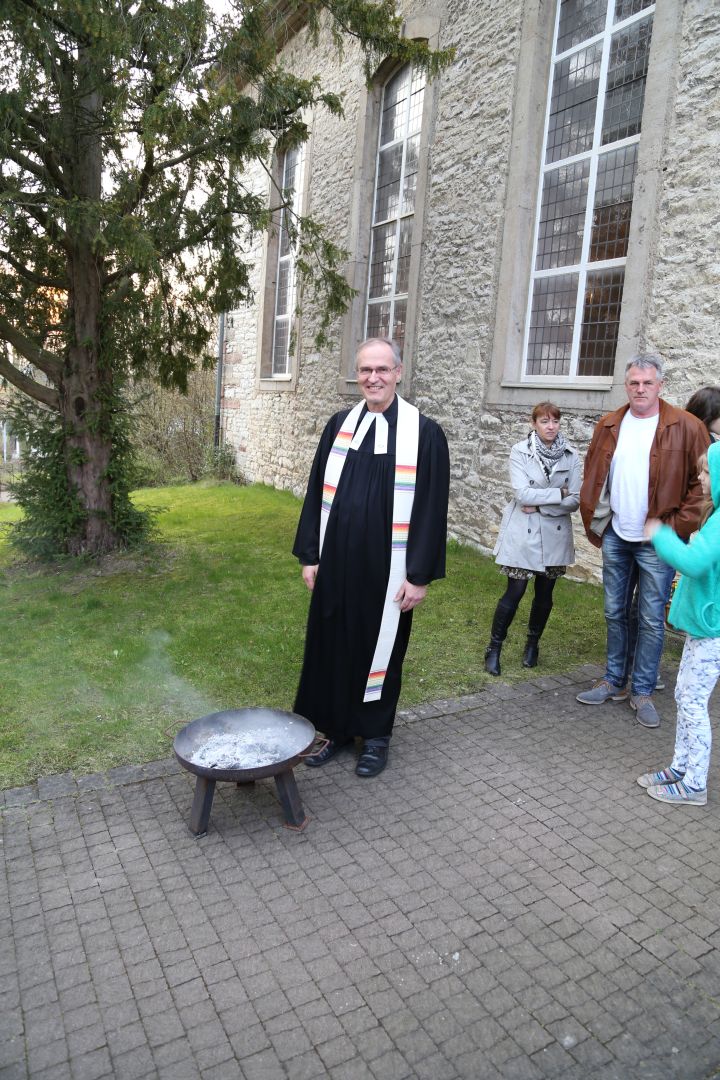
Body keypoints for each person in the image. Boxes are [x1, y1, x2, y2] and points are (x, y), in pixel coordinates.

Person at [292, 338, 450, 778]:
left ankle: (375, 736)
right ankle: (337, 730)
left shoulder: (425, 434)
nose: (373, 378)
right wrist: (311, 555)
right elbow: (315, 491)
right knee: (333, 645)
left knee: (381, 649)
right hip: (338, 564)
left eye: (382, 370)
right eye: (365, 371)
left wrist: (418, 576)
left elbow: (431, 510)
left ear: (398, 373)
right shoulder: (339, 426)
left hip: (389, 569)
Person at [577, 355, 710, 728]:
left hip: (658, 543)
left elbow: (703, 486)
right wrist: (597, 518)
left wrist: (673, 527)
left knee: (652, 619)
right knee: (614, 611)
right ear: (627, 385)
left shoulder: (687, 426)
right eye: (634, 383)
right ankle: (614, 680)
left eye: (647, 383)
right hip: (618, 535)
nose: (640, 389)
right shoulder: (610, 424)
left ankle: (644, 689)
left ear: (660, 385)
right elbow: (594, 472)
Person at [637, 443, 720, 804]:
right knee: (683, 695)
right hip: (704, 630)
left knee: (692, 702)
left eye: (705, 472)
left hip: (712, 633)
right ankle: (681, 767)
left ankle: (694, 784)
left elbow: (694, 563)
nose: (701, 479)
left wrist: (661, 534)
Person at [484, 402, 580, 676]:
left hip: (555, 535)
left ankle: (532, 645)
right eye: (544, 422)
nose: (551, 427)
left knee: (545, 594)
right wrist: (556, 495)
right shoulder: (519, 451)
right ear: (534, 424)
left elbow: (573, 500)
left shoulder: (571, 456)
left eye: (555, 422)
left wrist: (541, 504)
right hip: (523, 532)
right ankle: (494, 648)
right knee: (514, 591)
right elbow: (521, 495)